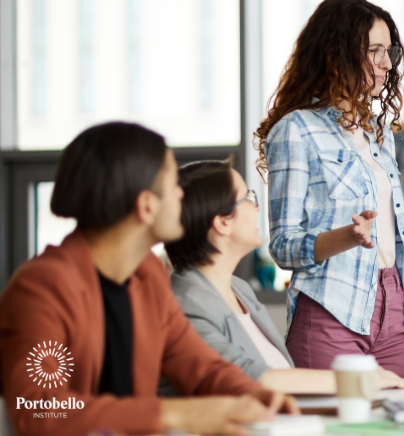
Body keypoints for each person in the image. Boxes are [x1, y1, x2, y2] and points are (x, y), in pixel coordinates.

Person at [0, 123, 297, 436]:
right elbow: (41, 409)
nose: (183, 196)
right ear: (146, 206)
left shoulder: (148, 278)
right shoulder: (40, 289)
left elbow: (197, 364)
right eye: (173, 186)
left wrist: (254, 394)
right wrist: (178, 414)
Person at [255, 0, 404, 377]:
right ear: (335, 53)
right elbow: (283, 247)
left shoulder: (377, 134)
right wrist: (345, 236)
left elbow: (380, 238)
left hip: (391, 311)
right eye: (374, 51)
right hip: (330, 313)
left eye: (389, 52)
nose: (387, 64)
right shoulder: (296, 130)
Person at [163, 160, 404, 394]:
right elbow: (243, 376)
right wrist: (353, 380)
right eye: (248, 198)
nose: (257, 206)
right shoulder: (184, 305)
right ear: (222, 223)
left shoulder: (238, 289)